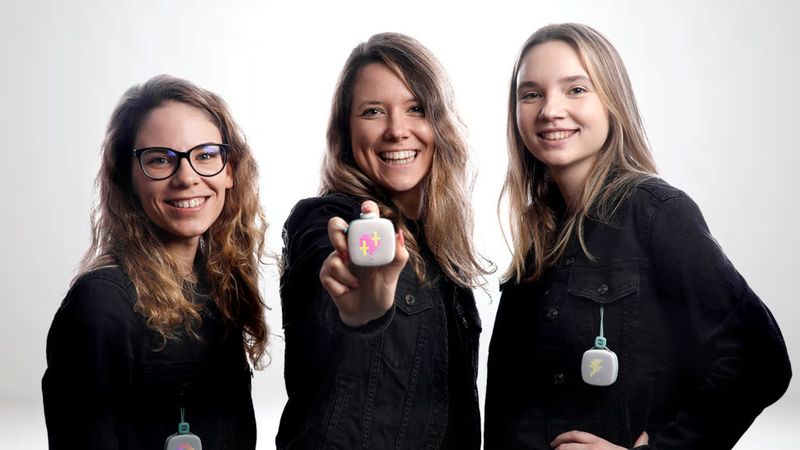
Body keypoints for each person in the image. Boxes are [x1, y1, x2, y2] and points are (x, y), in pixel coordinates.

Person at [484, 23, 791, 450]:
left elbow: (761, 361)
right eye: (531, 93)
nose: (550, 110)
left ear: (612, 102)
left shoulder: (656, 213)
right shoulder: (537, 235)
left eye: (575, 89)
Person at [277, 32, 491, 449]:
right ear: (345, 129)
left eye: (416, 109)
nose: (397, 130)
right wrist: (363, 309)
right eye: (373, 111)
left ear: (440, 124)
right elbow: (333, 270)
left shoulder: (444, 255)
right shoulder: (326, 220)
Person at [42, 75, 269, 449]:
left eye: (206, 155)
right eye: (161, 160)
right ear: (128, 178)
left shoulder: (215, 286)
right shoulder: (101, 306)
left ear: (230, 170)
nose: (187, 177)